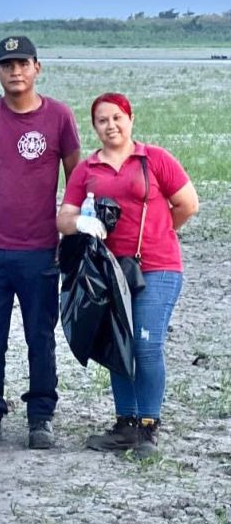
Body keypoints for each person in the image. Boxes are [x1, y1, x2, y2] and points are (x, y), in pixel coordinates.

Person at [0, 35, 81, 450]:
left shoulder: (59, 118)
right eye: (7, 65)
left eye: (22, 63)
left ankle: (40, 417)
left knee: (39, 336)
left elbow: (76, 180)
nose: (15, 71)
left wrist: (72, 232)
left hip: (40, 249)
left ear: (36, 68)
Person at [57, 93, 198, 457]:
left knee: (146, 346)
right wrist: (82, 222)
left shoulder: (155, 160)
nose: (111, 125)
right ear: (95, 127)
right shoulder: (87, 169)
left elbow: (188, 204)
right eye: (102, 120)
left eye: (117, 117)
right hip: (111, 273)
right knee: (118, 344)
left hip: (158, 267)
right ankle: (126, 424)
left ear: (130, 119)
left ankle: (149, 426)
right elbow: (64, 218)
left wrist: (160, 232)